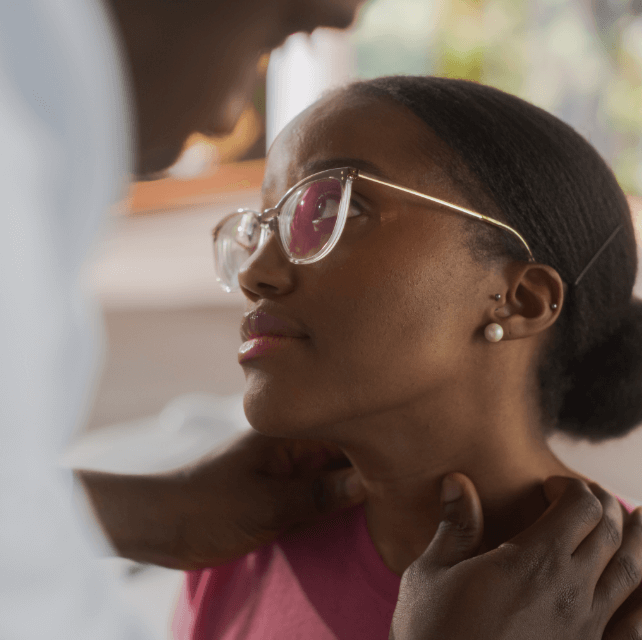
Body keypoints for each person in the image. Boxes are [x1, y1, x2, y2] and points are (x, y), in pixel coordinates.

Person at [171, 76, 642, 639]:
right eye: (262, 227)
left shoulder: (622, 609)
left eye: (332, 208)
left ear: (520, 299)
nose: (254, 273)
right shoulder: (234, 550)